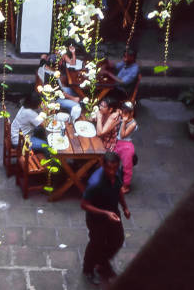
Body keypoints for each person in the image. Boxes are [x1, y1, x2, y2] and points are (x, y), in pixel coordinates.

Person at [81, 152, 131, 286]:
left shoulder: (117, 174)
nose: (112, 172)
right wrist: (105, 213)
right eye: (109, 168)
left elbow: (119, 189)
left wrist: (125, 207)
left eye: (115, 168)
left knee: (118, 239)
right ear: (103, 165)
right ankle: (88, 269)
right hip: (96, 218)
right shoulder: (95, 183)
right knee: (96, 244)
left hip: (113, 213)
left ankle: (102, 262)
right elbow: (84, 205)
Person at [37, 54, 82, 121]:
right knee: (77, 107)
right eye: (59, 63)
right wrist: (73, 99)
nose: (60, 64)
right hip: (54, 99)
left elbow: (43, 56)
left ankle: (72, 104)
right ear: (55, 66)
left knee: (71, 90)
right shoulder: (51, 78)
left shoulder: (42, 67)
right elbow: (61, 93)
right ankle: (72, 121)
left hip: (51, 92)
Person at [114, 101, 138, 194]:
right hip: (117, 143)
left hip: (126, 146)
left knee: (127, 167)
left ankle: (126, 186)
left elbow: (123, 135)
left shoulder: (133, 123)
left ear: (132, 112)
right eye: (123, 110)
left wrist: (123, 121)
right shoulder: (122, 114)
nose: (124, 113)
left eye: (126, 112)